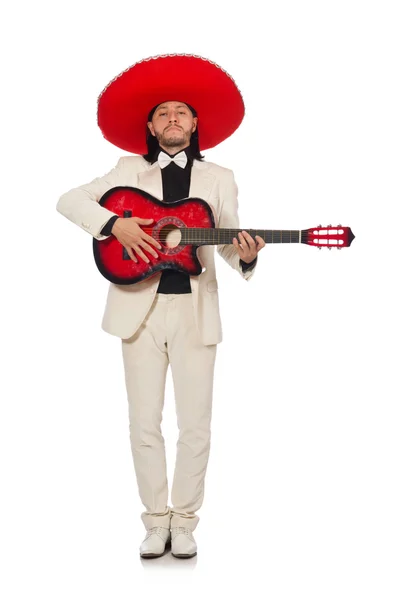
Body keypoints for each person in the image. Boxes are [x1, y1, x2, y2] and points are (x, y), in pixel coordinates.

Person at [56, 54, 266, 559]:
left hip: (196, 312)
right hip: (138, 310)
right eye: (164, 112)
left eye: (182, 112)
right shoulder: (127, 170)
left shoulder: (220, 176)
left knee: (195, 424)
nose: (173, 119)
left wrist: (245, 257)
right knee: (143, 422)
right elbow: (68, 201)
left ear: (195, 125)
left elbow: (226, 239)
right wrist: (114, 225)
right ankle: (154, 522)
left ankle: (185, 522)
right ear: (151, 126)